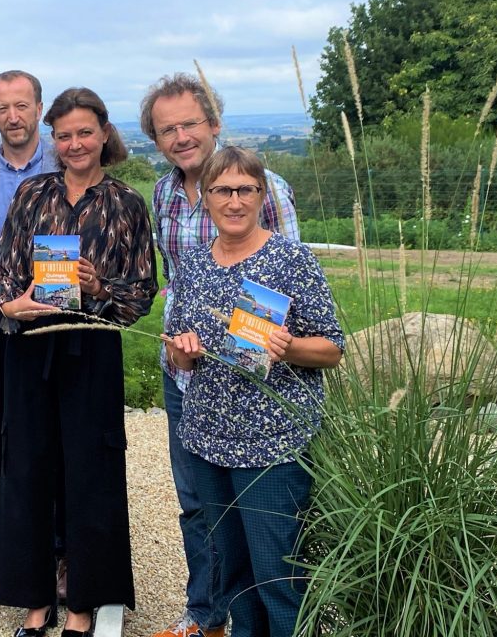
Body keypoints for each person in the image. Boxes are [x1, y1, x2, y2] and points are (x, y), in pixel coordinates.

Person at [0, 87, 157, 637]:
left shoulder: (127, 203)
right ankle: (35, 604)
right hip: (31, 348)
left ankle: (83, 608)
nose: (75, 143)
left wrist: (97, 284)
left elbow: (141, 293)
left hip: (92, 350)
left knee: (91, 477)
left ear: (104, 134)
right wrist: (13, 305)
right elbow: (3, 281)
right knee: (28, 473)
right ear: (52, 141)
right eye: (64, 135)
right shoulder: (31, 194)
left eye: (85, 132)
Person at [140, 73, 299, 637]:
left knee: (259, 519)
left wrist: (251, 345)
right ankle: (205, 616)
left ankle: (263, 621)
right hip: (183, 372)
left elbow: (290, 280)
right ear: (155, 139)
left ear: (214, 123)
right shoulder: (162, 193)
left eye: (190, 123)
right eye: (167, 129)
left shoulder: (265, 185)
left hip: (251, 381)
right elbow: (173, 280)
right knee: (195, 504)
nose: (181, 136)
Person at [163, 146, 343, 637]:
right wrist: (182, 351)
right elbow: (175, 351)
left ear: (263, 196)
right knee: (233, 571)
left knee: (276, 572)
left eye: (246, 189)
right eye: (223, 190)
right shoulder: (195, 265)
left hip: (271, 442)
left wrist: (289, 347)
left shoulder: (291, 260)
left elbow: (332, 349)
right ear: (206, 198)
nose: (235, 201)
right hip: (207, 438)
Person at [0, 70, 63, 599]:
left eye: (22, 105)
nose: (13, 116)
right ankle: (1, 548)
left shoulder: (65, 164)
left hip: (58, 323)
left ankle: (64, 554)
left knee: (62, 436)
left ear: (39, 108)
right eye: (3, 108)